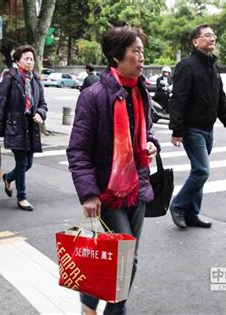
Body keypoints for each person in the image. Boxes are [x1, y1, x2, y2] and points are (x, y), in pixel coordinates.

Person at [67, 26, 159, 315]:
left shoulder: (141, 91)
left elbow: (147, 132)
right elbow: (78, 149)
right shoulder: (94, 95)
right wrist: (89, 194)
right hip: (107, 191)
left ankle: (92, 306)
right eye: (136, 51)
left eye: (142, 50)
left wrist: (151, 144)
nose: (142, 57)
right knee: (125, 257)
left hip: (137, 185)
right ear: (118, 57)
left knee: (118, 256)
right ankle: (112, 310)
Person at [168, 24, 226, 229]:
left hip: (208, 129)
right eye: (207, 35)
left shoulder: (213, 66)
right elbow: (178, 99)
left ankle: (192, 214)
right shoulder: (186, 66)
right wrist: (177, 130)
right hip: (191, 129)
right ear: (195, 41)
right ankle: (178, 206)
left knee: (198, 172)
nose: (212, 38)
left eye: (214, 35)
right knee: (202, 171)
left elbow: (220, 98)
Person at [0, 45, 48, 211]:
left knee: (28, 164)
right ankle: (21, 197)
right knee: (22, 163)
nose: (29, 62)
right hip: (15, 126)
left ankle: (8, 177)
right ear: (17, 61)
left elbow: (43, 103)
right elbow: (0, 104)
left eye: (31, 59)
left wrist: (40, 113)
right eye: (26, 59)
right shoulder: (10, 78)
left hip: (31, 127)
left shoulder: (36, 79)